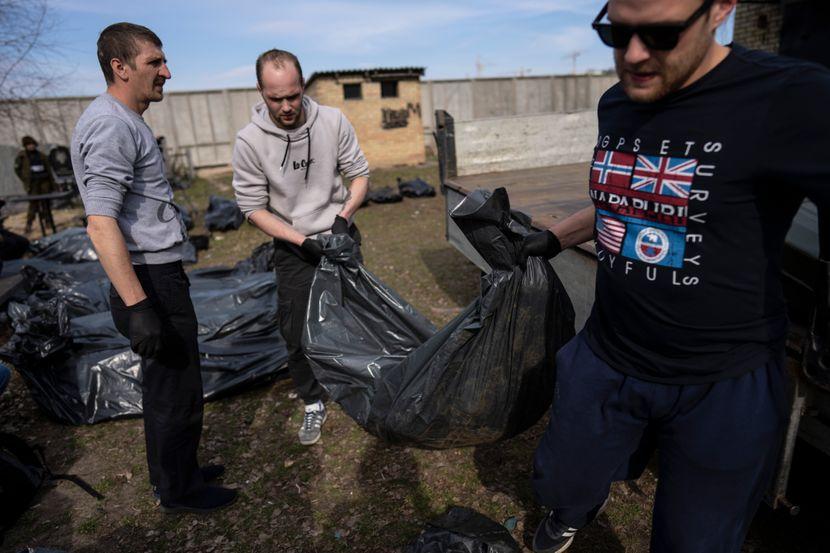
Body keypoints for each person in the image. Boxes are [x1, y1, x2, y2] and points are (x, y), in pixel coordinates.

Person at [521, 1, 830, 552]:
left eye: (661, 33)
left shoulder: (792, 98)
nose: (634, 55)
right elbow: (633, 196)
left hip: (722, 381)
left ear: (721, 10)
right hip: (607, 355)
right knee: (561, 477)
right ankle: (572, 510)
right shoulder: (617, 101)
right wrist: (553, 238)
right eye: (618, 31)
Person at [70, 22, 236, 514]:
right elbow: (100, 224)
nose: (167, 71)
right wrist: (139, 306)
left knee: (173, 384)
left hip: (156, 275)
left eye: (163, 61)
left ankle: (177, 472)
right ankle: (180, 491)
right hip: (148, 282)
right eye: (154, 63)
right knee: (173, 389)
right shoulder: (111, 125)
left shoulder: (124, 119)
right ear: (119, 68)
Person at [232, 49, 370, 446]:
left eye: (293, 95)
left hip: (340, 235)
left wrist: (344, 217)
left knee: (354, 317)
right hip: (294, 247)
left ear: (303, 85)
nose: (287, 106)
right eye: (276, 99)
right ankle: (312, 401)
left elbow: (358, 174)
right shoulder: (250, 142)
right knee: (296, 331)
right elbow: (253, 208)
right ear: (260, 91)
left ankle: (358, 384)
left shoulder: (332, 121)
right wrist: (301, 241)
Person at [14, 136, 57, 235]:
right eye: (29, 145)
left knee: (46, 203)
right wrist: (25, 179)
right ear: (25, 146)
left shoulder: (41, 155)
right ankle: (29, 225)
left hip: (44, 182)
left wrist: (52, 184)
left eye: (32, 144)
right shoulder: (22, 156)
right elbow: (17, 169)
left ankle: (48, 222)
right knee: (33, 205)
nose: (31, 146)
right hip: (32, 184)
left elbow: (49, 170)